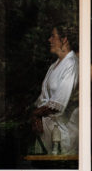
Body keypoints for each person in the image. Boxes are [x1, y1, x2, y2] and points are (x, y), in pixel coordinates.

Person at [31, 25, 78, 154]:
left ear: (64, 40)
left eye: (53, 36)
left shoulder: (71, 64)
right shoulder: (53, 66)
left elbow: (58, 104)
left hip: (64, 135)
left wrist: (36, 114)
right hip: (47, 134)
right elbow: (42, 99)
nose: (49, 40)